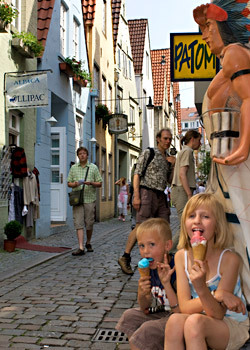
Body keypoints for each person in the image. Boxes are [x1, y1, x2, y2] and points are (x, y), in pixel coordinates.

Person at [193, 1, 250, 303]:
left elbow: (249, 96)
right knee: (231, 233)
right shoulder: (229, 58)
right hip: (223, 167)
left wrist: (242, 148)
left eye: (209, 28)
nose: (204, 35)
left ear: (224, 29)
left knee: (241, 233)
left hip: (235, 166)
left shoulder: (236, 53)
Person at [164, 193, 249, 350]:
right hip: (200, 317)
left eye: (205, 216)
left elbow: (218, 313)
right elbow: (184, 307)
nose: (197, 220)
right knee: (175, 320)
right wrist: (217, 295)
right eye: (191, 216)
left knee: (194, 323)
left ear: (217, 226)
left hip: (229, 323)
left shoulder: (230, 260)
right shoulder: (181, 256)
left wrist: (201, 287)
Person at [118, 128, 176, 275]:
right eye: (165, 138)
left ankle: (162, 261)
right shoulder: (149, 152)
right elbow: (137, 174)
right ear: (158, 139)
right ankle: (125, 257)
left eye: (169, 139)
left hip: (161, 195)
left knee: (164, 226)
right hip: (146, 192)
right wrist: (136, 195)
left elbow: (169, 181)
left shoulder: (168, 158)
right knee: (140, 226)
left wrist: (173, 165)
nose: (168, 142)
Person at [116, 218, 178, 350]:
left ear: (167, 246)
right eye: (141, 246)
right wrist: (142, 292)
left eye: (152, 245)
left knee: (147, 330)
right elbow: (144, 307)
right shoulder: (149, 268)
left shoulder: (175, 268)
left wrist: (166, 283)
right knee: (129, 316)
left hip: (179, 317)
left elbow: (181, 310)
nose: (145, 251)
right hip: (164, 313)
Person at [67, 147, 102, 256]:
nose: (82, 155)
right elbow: (69, 183)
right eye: (80, 153)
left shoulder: (93, 168)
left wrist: (91, 183)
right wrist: (76, 184)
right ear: (78, 156)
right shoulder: (73, 168)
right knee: (78, 223)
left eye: (84, 153)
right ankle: (81, 247)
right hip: (77, 199)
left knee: (89, 223)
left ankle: (88, 242)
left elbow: (100, 183)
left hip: (89, 199)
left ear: (87, 155)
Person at [171, 130, 201, 224]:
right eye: (199, 140)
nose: (200, 143)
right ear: (192, 139)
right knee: (184, 227)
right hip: (181, 191)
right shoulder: (187, 151)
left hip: (181, 190)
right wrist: (189, 194)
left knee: (185, 226)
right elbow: (182, 174)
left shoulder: (186, 151)